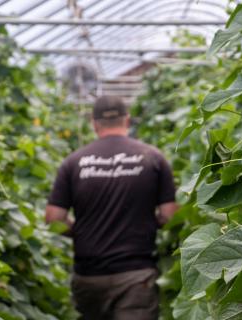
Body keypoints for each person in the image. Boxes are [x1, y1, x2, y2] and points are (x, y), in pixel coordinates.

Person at [46, 96, 178, 320]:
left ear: (94, 123)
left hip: (89, 278)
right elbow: (170, 216)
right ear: (127, 120)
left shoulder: (74, 162)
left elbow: (54, 219)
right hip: (136, 277)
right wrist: (143, 223)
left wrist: (82, 230)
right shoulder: (153, 158)